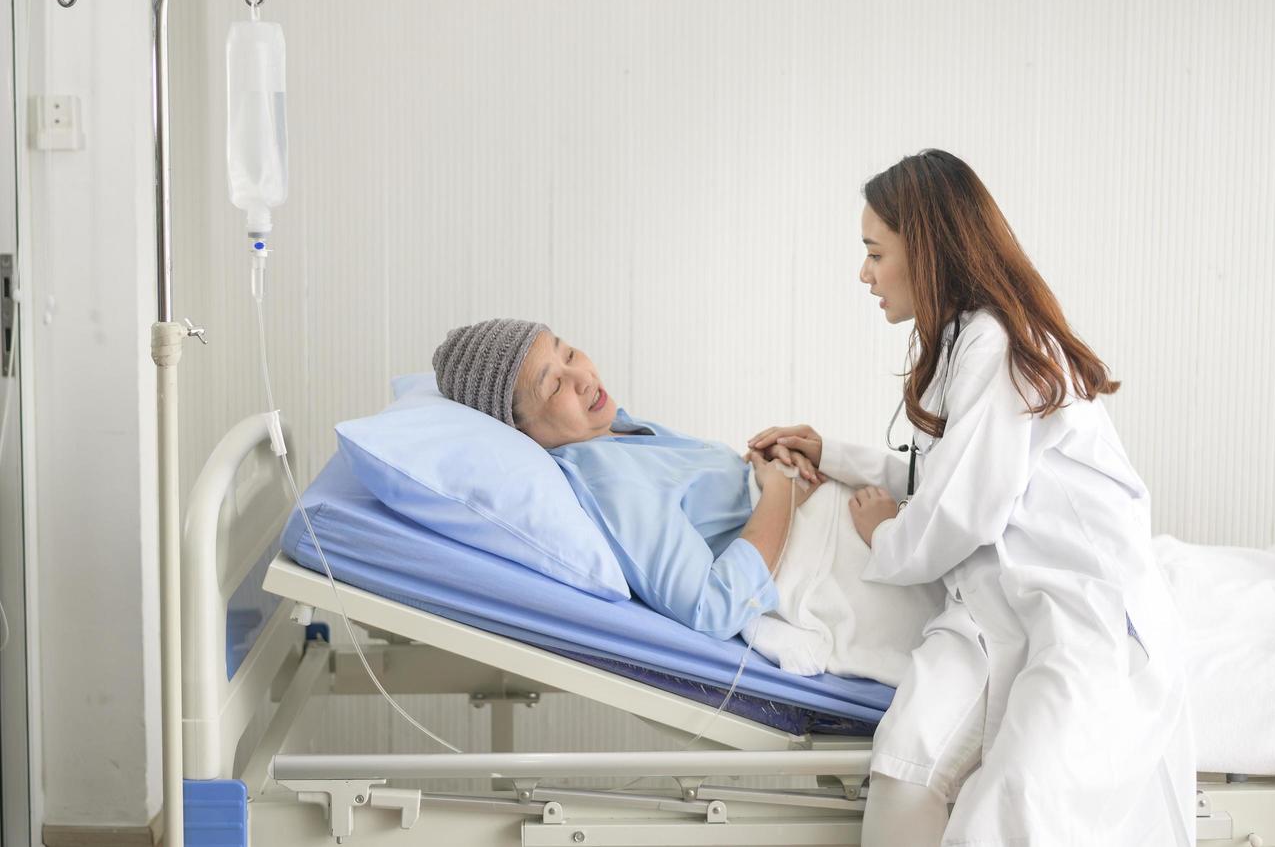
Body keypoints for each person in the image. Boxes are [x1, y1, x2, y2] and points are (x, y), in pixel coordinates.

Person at [748, 149, 1195, 845]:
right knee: (905, 765)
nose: (863, 273)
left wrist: (884, 534)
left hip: (1077, 608)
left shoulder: (993, 342)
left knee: (1022, 803)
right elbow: (948, 470)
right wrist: (830, 454)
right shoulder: (968, 340)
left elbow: (960, 510)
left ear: (924, 252)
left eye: (874, 252)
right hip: (996, 604)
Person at [431, 318, 824, 639]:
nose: (581, 377)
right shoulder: (609, 480)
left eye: (568, 353)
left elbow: (699, 500)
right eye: (553, 386)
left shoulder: (616, 429)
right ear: (519, 430)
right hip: (825, 570)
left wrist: (761, 460)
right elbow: (713, 606)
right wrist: (780, 493)